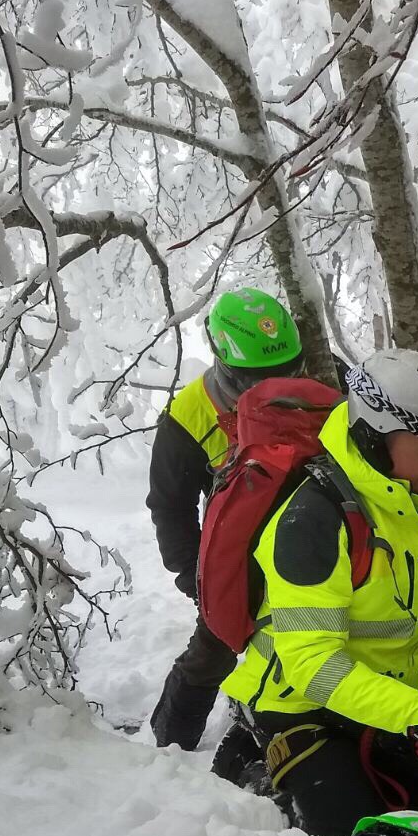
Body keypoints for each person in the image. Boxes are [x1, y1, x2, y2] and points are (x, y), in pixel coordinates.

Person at [220, 348, 418, 836]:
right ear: (376, 438)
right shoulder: (315, 519)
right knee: (359, 834)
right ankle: (258, 766)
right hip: (299, 704)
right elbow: (312, 667)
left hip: (384, 694)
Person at [146, 289, 309, 749]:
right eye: (259, 378)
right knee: (215, 648)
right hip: (244, 550)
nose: (276, 386)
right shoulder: (187, 417)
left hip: (323, 534)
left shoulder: (326, 377)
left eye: (286, 373)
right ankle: (169, 745)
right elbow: (170, 506)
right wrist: (195, 578)